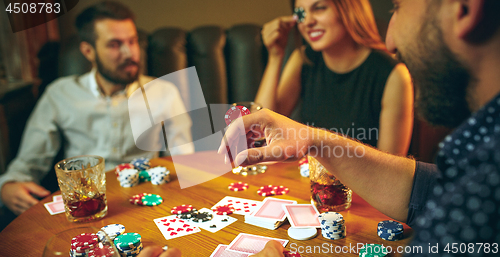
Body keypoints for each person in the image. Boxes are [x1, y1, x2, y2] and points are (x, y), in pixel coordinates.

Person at [140, 0, 500, 256]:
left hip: (357, 210)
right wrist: (313, 136)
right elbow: (261, 118)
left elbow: (399, 178)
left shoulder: (390, 74)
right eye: (301, 11)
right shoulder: (304, 59)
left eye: (397, 6)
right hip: (305, 195)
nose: (391, 39)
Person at [0, 1, 194, 217]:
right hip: (84, 206)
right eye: (114, 44)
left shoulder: (164, 91)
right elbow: (29, 162)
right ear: (88, 51)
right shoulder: (59, 94)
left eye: (133, 41)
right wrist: (7, 186)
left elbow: (184, 161)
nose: (129, 53)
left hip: (148, 202)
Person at [255, 0, 414, 155]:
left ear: (349, 9)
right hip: (311, 178)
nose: (308, 21)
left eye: (319, 8)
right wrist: (275, 56)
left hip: (360, 182)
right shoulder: (303, 59)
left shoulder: (394, 75)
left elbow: (389, 172)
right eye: (301, 13)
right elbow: (259, 134)